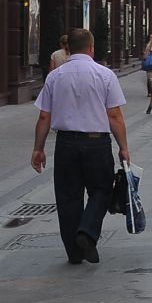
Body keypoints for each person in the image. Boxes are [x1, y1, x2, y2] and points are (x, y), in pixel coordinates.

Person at [29, 28, 129, 266]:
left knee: (67, 197)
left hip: (65, 144)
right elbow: (114, 115)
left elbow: (44, 116)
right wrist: (123, 147)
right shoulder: (104, 75)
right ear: (92, 48)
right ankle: (87, 232)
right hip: (97, 143)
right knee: (102, 190)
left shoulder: (55, 76)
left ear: (68, 49)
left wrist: (38, 148)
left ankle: (74, 253)